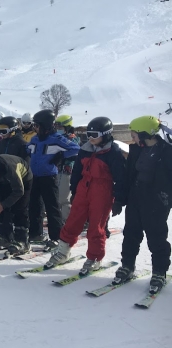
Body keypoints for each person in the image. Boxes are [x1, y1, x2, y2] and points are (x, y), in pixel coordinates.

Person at [46, 117, 126, 273]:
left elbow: (121, 178)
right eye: (88, 134)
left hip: (102, 191)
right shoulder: (85, 148)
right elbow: (76, 172)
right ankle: (63, 251)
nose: (90, 138)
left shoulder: (113, 151)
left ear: (106, 134)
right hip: (84, 188)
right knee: (72, 221)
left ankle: (94, 258)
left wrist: (119, 200)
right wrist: (75, 190)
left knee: (96, 226)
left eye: (94, 134)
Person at [113, 116, 172, 294]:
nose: (133, 138)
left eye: (135, 134)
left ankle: (159, 272)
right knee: (131, 234)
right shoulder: (137, 150)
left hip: (156, 201)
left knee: (156, 238)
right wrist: (120, 200)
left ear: (145, 133)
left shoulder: (167, 152)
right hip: (135, 198)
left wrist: (166, 198)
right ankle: (127, 266)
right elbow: (127, 178)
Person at [27, 109, 80, 248]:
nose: (35, 128)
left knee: (52, 207)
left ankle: (56, 237)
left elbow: (76, 149)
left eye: (37, 125)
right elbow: (27, 150)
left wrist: (61, 156)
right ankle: (35, 233)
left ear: (45, 125)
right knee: (34, 206)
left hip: (49, 177)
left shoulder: (57, 139)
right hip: (35, 176)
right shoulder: (35, 139)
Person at [54, 115, 81, 221]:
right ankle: (59, 220)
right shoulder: (58, 138)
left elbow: (75, 152)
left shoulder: (73, 139)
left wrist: (61, 155)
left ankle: (67, 221)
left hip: (67, 171)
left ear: (67, 127)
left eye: (60, 127)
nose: (58, 129)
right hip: (57, 170)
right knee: (57, 197)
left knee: (64, 199)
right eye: (57, 127)